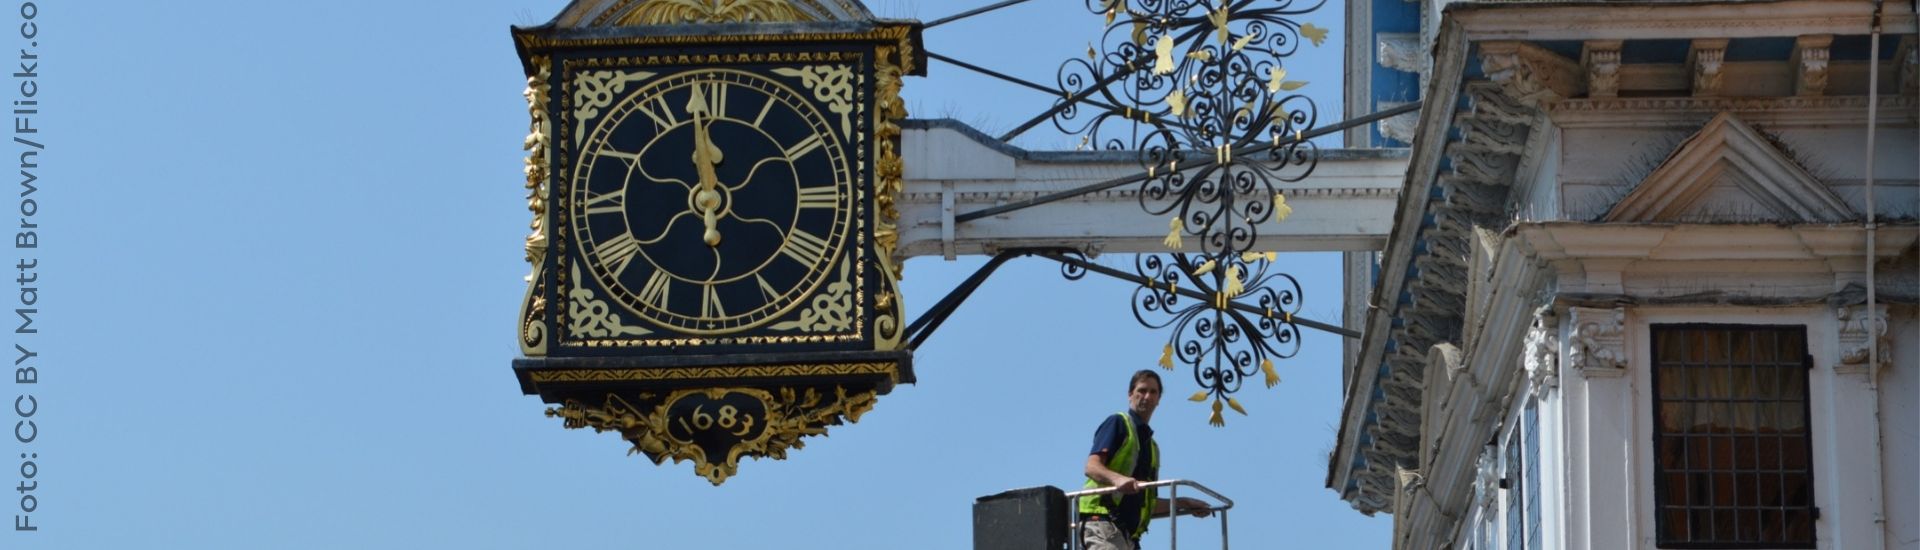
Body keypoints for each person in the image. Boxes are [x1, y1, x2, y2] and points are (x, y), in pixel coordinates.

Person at [1079, 369, 1211, 550]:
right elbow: (1091, 467)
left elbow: (1148, 503)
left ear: (1159, 400)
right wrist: (1118, 479)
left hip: (1128, 537)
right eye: (1141, 390)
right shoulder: (1118, 423)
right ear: (1130, 395)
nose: (1147, 396)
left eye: (1153, 392)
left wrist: (1183, 504)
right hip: (1102, 524)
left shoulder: (1152, 447)